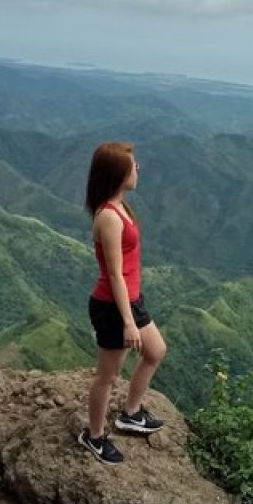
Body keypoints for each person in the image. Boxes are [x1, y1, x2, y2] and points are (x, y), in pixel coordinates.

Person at [80, 141, 167, 464]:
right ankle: (95, 435)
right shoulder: (109, 217)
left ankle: (130, 413)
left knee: (156, 351)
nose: (138, 169)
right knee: (107, 376)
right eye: (133, 166)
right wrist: (128, 320)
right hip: (113, 306)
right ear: (119, 174)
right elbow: (114, 274)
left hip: (131, 299)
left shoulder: (121, 207)